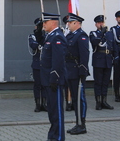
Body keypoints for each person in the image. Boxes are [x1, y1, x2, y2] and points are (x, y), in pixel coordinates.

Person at [40, 12, 67, 141]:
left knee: (57, 112)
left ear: (53, 22)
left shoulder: (57, 37)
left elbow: (58, 60)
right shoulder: (50, 36)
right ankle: (53, 136)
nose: (43, 25)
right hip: (48, 80)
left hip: (54, 80)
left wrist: (54, 77)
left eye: (45, 22)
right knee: (52, 112)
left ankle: (59, 138)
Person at [65, 13, 89, 135]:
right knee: (75, 99)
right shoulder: (70, 35)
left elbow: (84, 56)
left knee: (80, 99)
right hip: (70, 71)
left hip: (77, 71)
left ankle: (82, 125)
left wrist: (82, 71)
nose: (68, 24)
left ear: (76, 23)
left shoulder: (81, 36)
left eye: (70, 22)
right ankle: (77, 123)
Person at [89, 15, 118, 110]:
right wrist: (101, 33)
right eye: (99, 23)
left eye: (102, 22)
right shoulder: (93, 33)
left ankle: (104, 101)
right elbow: (94, 43)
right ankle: (98, 101)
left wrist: (116, 57)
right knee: (98, 82)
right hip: (98, 60)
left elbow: (114, 46)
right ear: (96, 24)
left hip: (108, 60)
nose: (101, 24)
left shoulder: (109, 34)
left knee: (105, 82)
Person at [28, 17, 47, 112]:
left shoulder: (47, 35)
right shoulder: (32, 36)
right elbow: (33, 45)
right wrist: (40, 36)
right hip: (36, 64)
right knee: (37, 85)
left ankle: (44, 103)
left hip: (45, 64)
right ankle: (38, 104)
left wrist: (43, 36)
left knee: (45, 85)